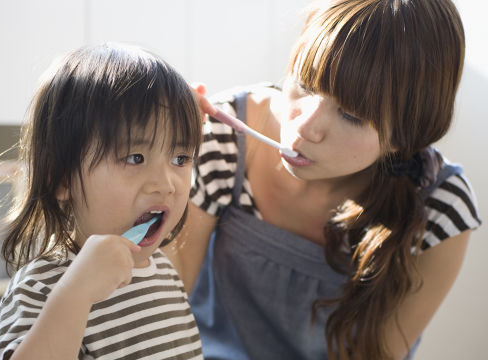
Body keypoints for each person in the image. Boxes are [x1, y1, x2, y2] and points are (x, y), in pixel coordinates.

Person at [162, 0, 482, 359]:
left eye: (350, 115)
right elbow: (167, 309)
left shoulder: (442, 207)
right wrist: (164, 165)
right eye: (304, 84)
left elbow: (375, 354)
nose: (304, 127)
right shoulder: (225, 136)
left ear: (402, 138)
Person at [0, 43, 204, 360]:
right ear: (61, 178)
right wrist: (76, 294)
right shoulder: (40, 287)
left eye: (180, 157)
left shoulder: (163, 272)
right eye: (135, 157)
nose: (166, 185)